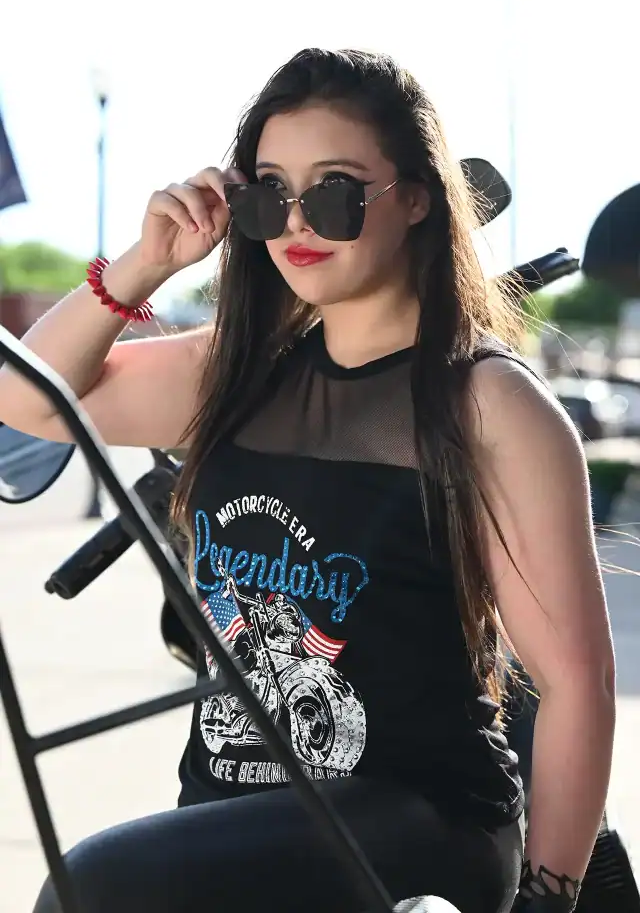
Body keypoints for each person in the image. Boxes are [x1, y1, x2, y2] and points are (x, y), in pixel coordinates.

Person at [0, 48, 615, 913]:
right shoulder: (238, 370)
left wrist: (548, 900)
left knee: (88, 889)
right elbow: (29, 402)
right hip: (236, 815)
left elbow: (575, 680)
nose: (297, 221)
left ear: (415, 197)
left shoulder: (487, 402)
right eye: (267, 195)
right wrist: (145, 263)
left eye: (333, 192)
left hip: (422, 821)